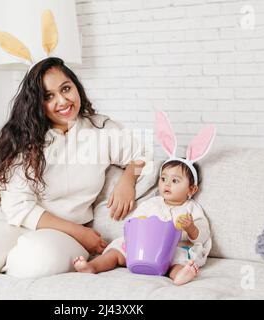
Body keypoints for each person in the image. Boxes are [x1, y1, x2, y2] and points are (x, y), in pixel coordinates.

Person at [0, 57, 146, 299]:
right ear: (37, 103)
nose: (62, 101)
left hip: (62, 237)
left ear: (76, 86)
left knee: (35, 260)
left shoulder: (101, 130)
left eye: (66, 88)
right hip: (13, 224)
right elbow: (18, 207)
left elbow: (141, 154)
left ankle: (5, 263)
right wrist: (82, 234)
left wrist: (128, 180)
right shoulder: (25, 139)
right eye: (49, 96)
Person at [73, 114, 216, 285]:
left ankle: (179, 275)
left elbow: (203, 236)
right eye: (163, 179)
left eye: (175, 180)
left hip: (170, 252)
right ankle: (92, 267)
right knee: (116, 252)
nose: (167, 184)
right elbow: (135, 223)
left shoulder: (191, 210)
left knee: (178, 260)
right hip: (143, 250)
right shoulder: (152, 204)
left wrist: (190, 228)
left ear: (191, 190)